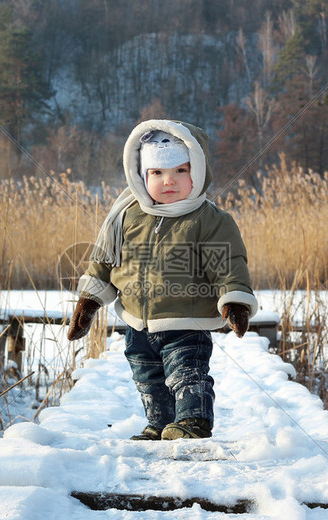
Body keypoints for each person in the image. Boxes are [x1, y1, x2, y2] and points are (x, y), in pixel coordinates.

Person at [67, 119, 258, 440]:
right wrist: (89, 302)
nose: (168, 181)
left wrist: (235, 298)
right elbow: (103, 261)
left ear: (197, 170)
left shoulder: (208, 219)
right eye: (157, 173)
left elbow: (228, 264)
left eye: (180, 171)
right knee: (147, 377)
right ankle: (160, 423)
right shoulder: (127, 215)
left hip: (188, 319)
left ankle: (193, 421)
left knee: (187, 372)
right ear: (141, 175)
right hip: (138, 322)